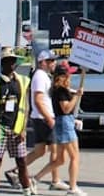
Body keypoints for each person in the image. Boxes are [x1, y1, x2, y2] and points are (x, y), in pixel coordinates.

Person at [10, 51, 65, 191]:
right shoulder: (40, 76)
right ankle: (54, 180)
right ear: (42, 62)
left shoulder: (43, 76)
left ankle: (15, 171)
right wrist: (49, 119)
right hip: (44, 118)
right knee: (56, 151)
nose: (54, 63)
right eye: (50, 61)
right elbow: (38, 100)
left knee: (40, 151)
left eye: (54, 60)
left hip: (40, 117)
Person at [0, 47, 32, 196]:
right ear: (2, 63)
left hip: (16, 127)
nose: (12, 64)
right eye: (8, 60)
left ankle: (27, 191)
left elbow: (25, 107)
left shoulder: (22, 81)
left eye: (13, 60)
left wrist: (23, 128)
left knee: (21, 162)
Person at [35, 65, 85, 196]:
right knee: (75, 157)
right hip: (64, 123)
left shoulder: (58, 90)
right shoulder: (61, 90)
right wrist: (77, 96)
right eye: (68, 75)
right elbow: (66, 109)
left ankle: (35, 179)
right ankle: (73, 188)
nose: (70, 77)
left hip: (63, 122)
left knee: (60, 159)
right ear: (63, 76)